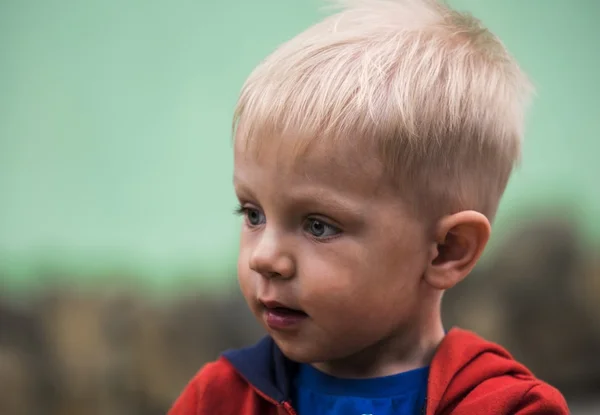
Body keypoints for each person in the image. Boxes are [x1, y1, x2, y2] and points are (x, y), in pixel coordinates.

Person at [169, 0, 569, 413]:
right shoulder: (220, 398)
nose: (265, 257)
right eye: (253, 214)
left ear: (447, 249)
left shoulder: (507, 407)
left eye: (318, 226)